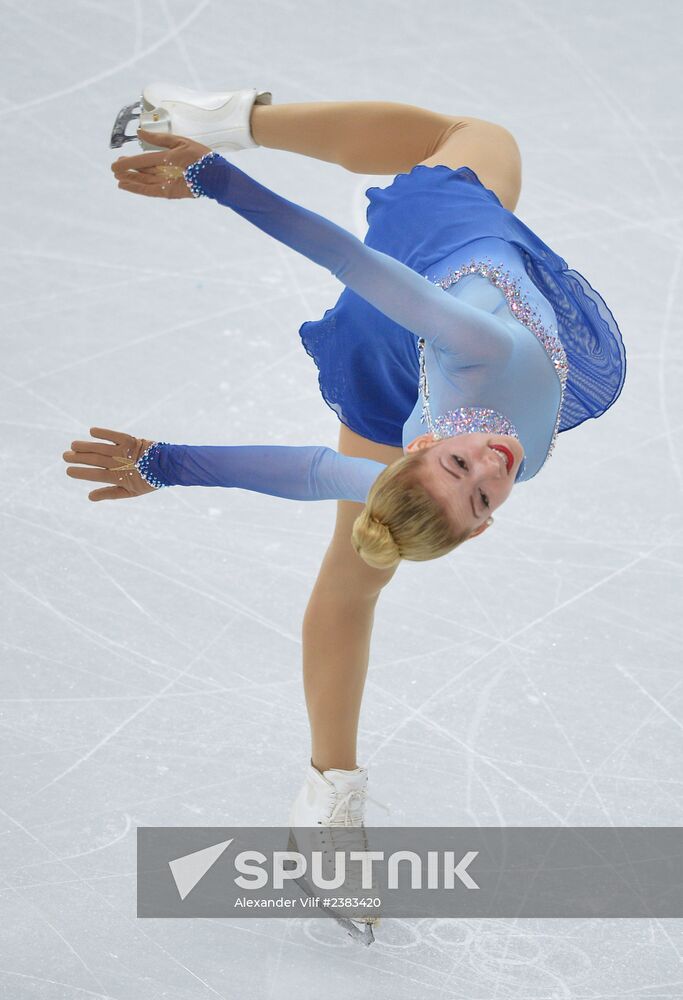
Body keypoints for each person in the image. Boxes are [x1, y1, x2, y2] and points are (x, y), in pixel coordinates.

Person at [64, 87, 626, 942]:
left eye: (459, 472)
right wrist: (216, 184)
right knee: (478, 138)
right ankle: (329, 803)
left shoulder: (464, 369)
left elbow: (321, 423)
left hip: (411, 295)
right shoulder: (466, 434)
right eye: (478, 486)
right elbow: (328, 416)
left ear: (414, 458)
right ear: (481, 522)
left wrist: (167, 461)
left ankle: (219, 121)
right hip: (411, 309)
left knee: (469, 141)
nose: (491, 464)